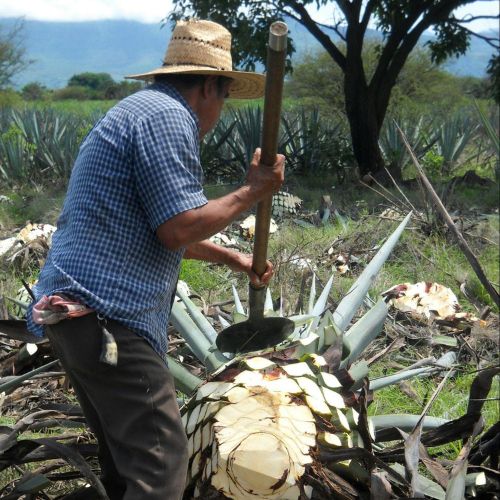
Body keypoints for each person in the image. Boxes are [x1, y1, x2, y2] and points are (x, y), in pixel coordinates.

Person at [27, 19, 285, 500]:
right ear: (210, 86)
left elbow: (159, 226)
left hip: (75, 315)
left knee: (125, 474)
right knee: (161, 472)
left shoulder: (141, 111)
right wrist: (253, 191)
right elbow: (178, 228)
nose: (220, 112)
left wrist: (230, 256)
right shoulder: (168, 118)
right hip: (107, 318)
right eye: (225, 97)